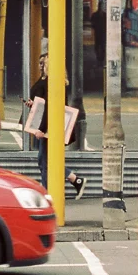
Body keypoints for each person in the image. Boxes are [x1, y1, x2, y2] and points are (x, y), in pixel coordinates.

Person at [29, 54, 87, 199]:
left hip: (49, 125)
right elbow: (45, 103)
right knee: (44, 160)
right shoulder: (53, 81)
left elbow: (49, 107)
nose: (40, 65)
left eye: (43, 63)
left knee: (46, 160)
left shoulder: (52, 82)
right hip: (50, 124)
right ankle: (73, 180)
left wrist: (41, 129)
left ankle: (51, 192)